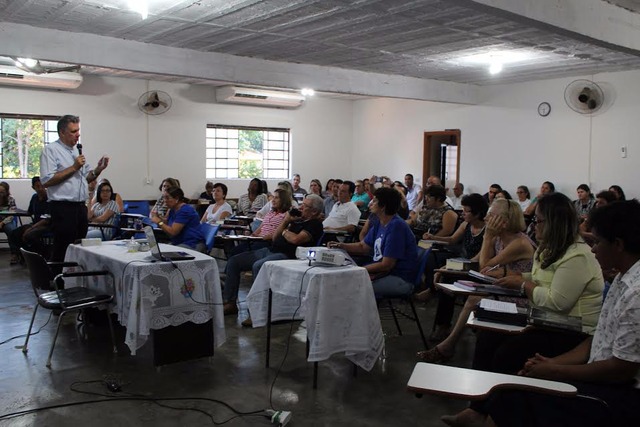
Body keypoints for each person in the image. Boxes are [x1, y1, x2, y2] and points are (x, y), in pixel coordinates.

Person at [442, 193, 605, 427]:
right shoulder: (550, 249)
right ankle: (477, 409)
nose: (533, 225)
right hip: (546, 320)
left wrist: (522, 283)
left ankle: (497, 417)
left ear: (553, 223)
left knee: (508, 354)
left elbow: (558, 302)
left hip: (571, 331)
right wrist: (517, 276)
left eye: (538, 221)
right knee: (487, 338)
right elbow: (542, 279)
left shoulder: (577, 256)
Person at [481, 200, 640, 427]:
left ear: (618, 245)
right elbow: (598, 338)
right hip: (593, 364)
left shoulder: (635, 294)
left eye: (597, 242)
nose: (593, 248)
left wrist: (556, 369)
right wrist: (552, 363)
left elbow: (620, 370)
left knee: (513, 395)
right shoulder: (622, 279)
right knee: (512, 380)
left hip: (618, 394)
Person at [418, 198, 536, 362]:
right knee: (454, 283)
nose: (487, 219)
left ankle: (448, 345)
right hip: (502, 286)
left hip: (520, 294)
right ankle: (448, 340)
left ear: (505, 220)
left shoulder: (519, 243)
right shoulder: (499, 238)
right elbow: (477, 262)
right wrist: (448, 268)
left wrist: (487, 237)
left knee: (474, 299)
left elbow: (484, 267)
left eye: (491, 215)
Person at [222, 194, 324, 318]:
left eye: (305, 206)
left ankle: (258, 310)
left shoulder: (315, 224)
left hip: (287, 256)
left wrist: (285, 231)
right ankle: (230, 302)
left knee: (258, 266)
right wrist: (286, 221)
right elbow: (275, 237)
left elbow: (296, 240)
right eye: (302, 204)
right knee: (234, 261)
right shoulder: (296, 220)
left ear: (314, 211)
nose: (301, 207)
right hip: (271, 249)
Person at [40, 115, 110, 265]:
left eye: (78, 130)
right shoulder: (51, 150)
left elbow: (86, 178)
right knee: (64, 246)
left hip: (80, 207)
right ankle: (58, 280)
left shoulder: (76, 151)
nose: (78, 134)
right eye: (73, 131)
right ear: (62, 133)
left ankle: (75, 278)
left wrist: (99, 169)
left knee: (79, 246)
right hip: (62, 207)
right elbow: (47, 181)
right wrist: (74, 167)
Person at [329, 187, 417, 297]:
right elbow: (363, 246)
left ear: (383, 206)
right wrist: (341, 246)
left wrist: (358, 270)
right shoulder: (380, 222)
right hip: (384, 273)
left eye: (374, 200)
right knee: (344, 280)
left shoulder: (396, 226)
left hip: (399, 277)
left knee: (350, 287)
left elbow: (387, 265)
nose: (371, 203)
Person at [7, 176, 51, 259]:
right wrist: (18, 211)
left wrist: (31, 228)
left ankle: (41, 255)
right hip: (35, 224)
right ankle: (19, 254)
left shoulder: (50, 199)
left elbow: (47, 220)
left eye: (42, 186)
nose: (41, 189)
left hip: (46, 225)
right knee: (14, 233)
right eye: (38, 186)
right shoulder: (34, 197)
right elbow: (29, 212)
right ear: (33, 188)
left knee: (29, 235)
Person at [151, 186, 205, 251]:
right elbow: (168, 224)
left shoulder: (185, 210)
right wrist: (158, 217)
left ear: (176, 199)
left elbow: (173, 232)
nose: (165, 201)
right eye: (164, 198)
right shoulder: (173, 209)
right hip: (179, 242)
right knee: (160, 250)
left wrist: (159, 221)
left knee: (166, 254)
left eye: (167, 198)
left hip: (192, 244)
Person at [0, 183, 20, 264]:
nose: (0, 194)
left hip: (6, 221)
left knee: (12, 230)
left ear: (6, 192)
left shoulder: (10, 199)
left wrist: (2, 222)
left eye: (2, 192)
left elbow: (12, 215)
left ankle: (14, 254)